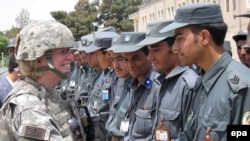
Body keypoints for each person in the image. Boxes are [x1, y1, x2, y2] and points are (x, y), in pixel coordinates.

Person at [160, 3, 250, 141]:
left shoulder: (241, 87)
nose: (175, 48)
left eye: (179, 39)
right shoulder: (201, 82)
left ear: (204, 37)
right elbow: (190, 135)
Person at [0, 21, 86, 141]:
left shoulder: (46, 93)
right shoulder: (29, 107)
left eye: (69, 50)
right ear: (39, 58)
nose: (71, 57)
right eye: (63, 51)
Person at [136, 20, 198, 140]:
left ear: (175, 48)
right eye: (149, 50)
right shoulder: (160, 82)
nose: (150, 57)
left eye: (156, 49)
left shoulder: (189, 85)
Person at [112, 32, 161, 141]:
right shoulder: (130, 86)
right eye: (125, 59)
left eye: (135, 58)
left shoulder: (158, 87)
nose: (130, 64)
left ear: (148, 56)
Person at [84, 31, 119, 141]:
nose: (97, 59)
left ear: (108, 54)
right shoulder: (110, 74)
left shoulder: (122, 76)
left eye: (97, 54)